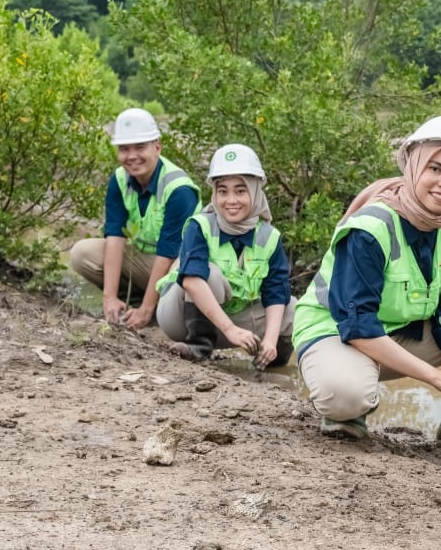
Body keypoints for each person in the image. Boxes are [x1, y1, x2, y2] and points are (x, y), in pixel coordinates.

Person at [291, 116, 441, 471]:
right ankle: (349, 414)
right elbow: (357, 324)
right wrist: (434, 377)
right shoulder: (371, 228)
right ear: (412, 162)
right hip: (336, 334)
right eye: (436, 168)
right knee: (345, 394)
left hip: (398, 335)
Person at [155, 143, 295, 367]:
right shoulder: (200, 226)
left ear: (255, 191)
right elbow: (190, 281)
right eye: (223, 191)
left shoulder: (269, 237)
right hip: (179, 316)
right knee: (208, 274)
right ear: (214, 193)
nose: (231, 200)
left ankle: (269, 359)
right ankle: (198, 348)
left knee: (293, 308)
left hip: (230, 319)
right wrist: (230, 330)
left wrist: (269, 340)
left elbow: (276, 291)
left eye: (240, 191)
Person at [69, 108, 201, 330]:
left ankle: (160, 312)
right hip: (146, 261)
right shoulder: (120, 179)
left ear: (157, 146)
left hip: (177, 266)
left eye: (140, 147)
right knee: (82, 253)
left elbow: (167, 253)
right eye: (124, 149)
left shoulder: (178, 189)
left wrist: (147, 312)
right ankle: (131, 303)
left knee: (183, 271)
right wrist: (108, 297)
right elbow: (115, 236)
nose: (132, 156)